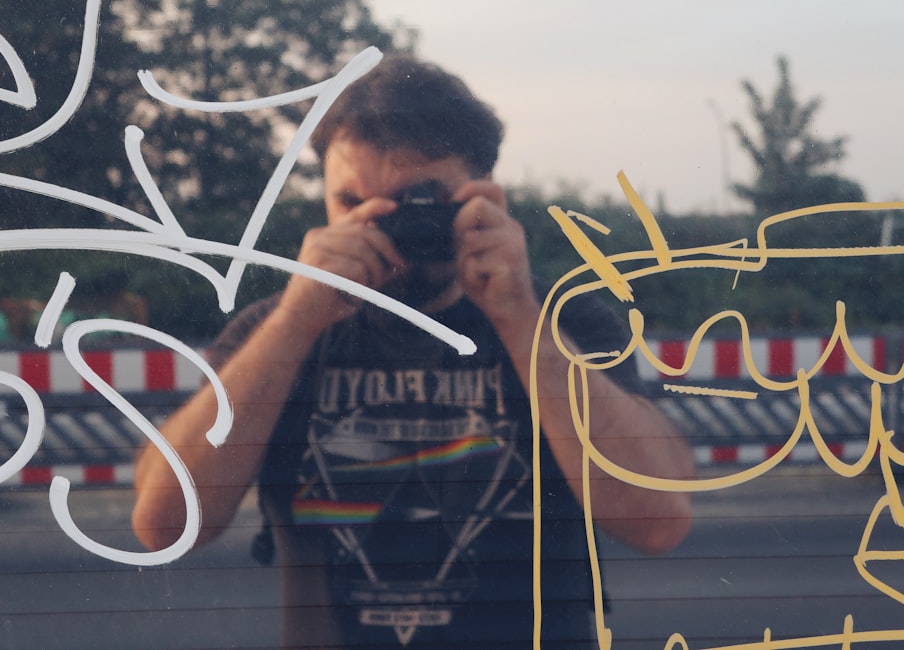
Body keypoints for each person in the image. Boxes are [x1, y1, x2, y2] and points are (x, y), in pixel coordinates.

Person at [132, 56, 694, 649]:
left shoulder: (561, 323)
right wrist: (297, 318)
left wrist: (518, 317)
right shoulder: (279, 333)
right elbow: (163, 523)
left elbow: (658, 521)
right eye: (353, 205)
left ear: (483, 196)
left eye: (418, 204)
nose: (383, 229)